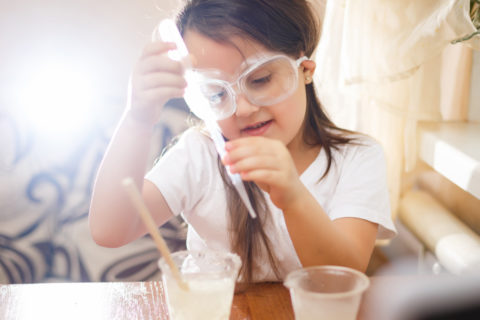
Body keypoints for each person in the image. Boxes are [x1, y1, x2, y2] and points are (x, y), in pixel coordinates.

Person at [89, 0, 396, 283]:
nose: (243, 108)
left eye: (260, 80)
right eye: (216, 94)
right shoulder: (201, 154)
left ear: (304, 70)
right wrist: (138, 118)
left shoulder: (358, 158)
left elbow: (341, 276)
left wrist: (293, 196)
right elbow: (110, 229)